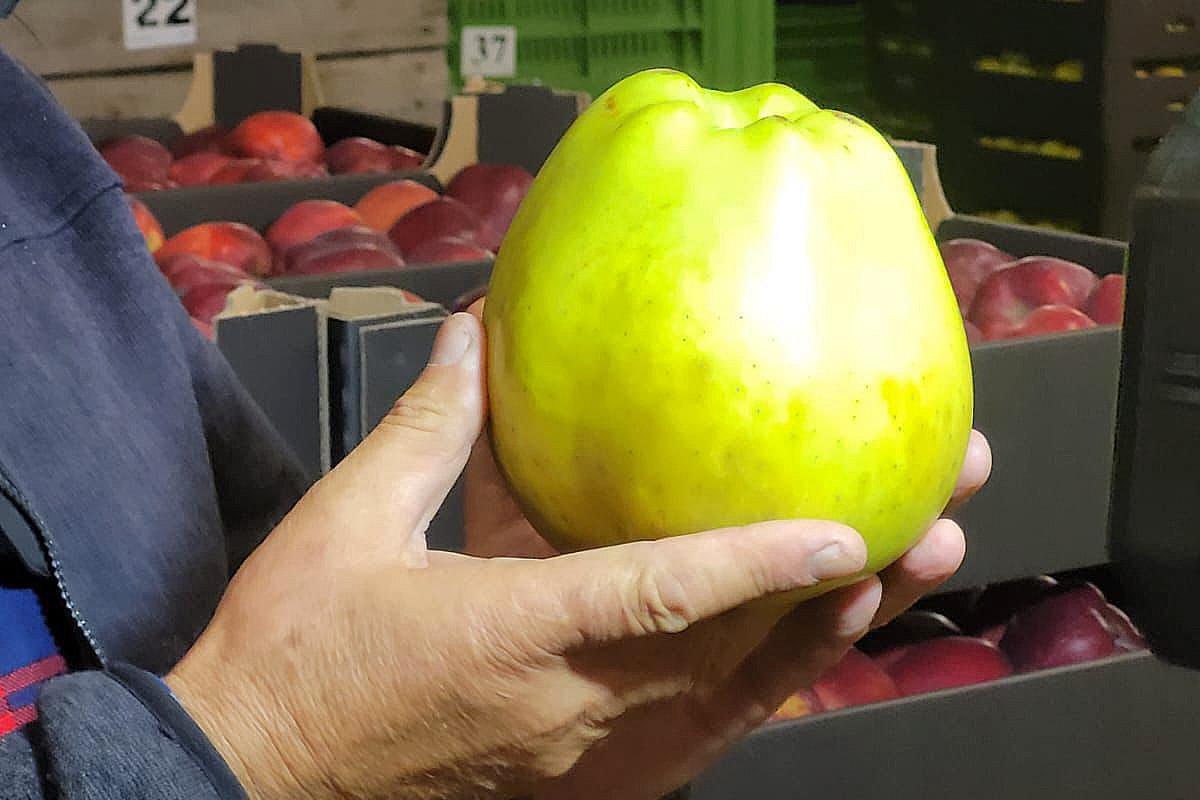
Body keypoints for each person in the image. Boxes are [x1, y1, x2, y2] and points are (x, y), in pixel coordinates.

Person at [0, 21, 992, 800]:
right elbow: (252, 721)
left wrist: (503, 769)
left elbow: (227, 612)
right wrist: (265, 748)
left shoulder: (24, 155)